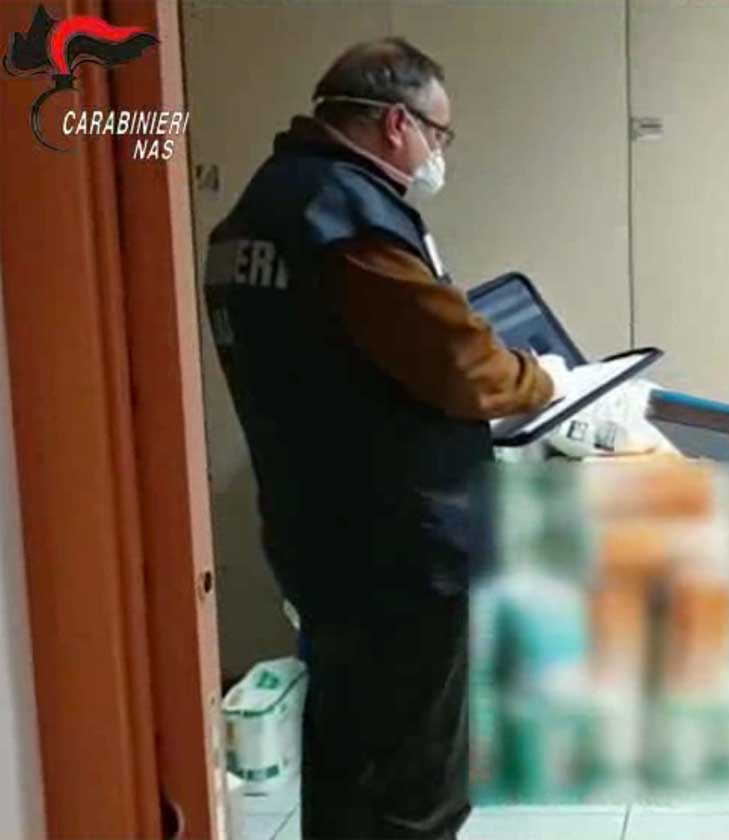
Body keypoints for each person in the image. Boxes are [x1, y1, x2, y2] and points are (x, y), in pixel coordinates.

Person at [204, 38, 569, 839]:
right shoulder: (347, 218)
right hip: (400, 551)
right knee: (416, 784)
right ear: (397, 124)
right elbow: (460, 364)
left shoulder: (255, 215)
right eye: (439, 134)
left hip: (317, 533)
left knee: (345, 762)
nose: (439, 153)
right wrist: (545, 380)